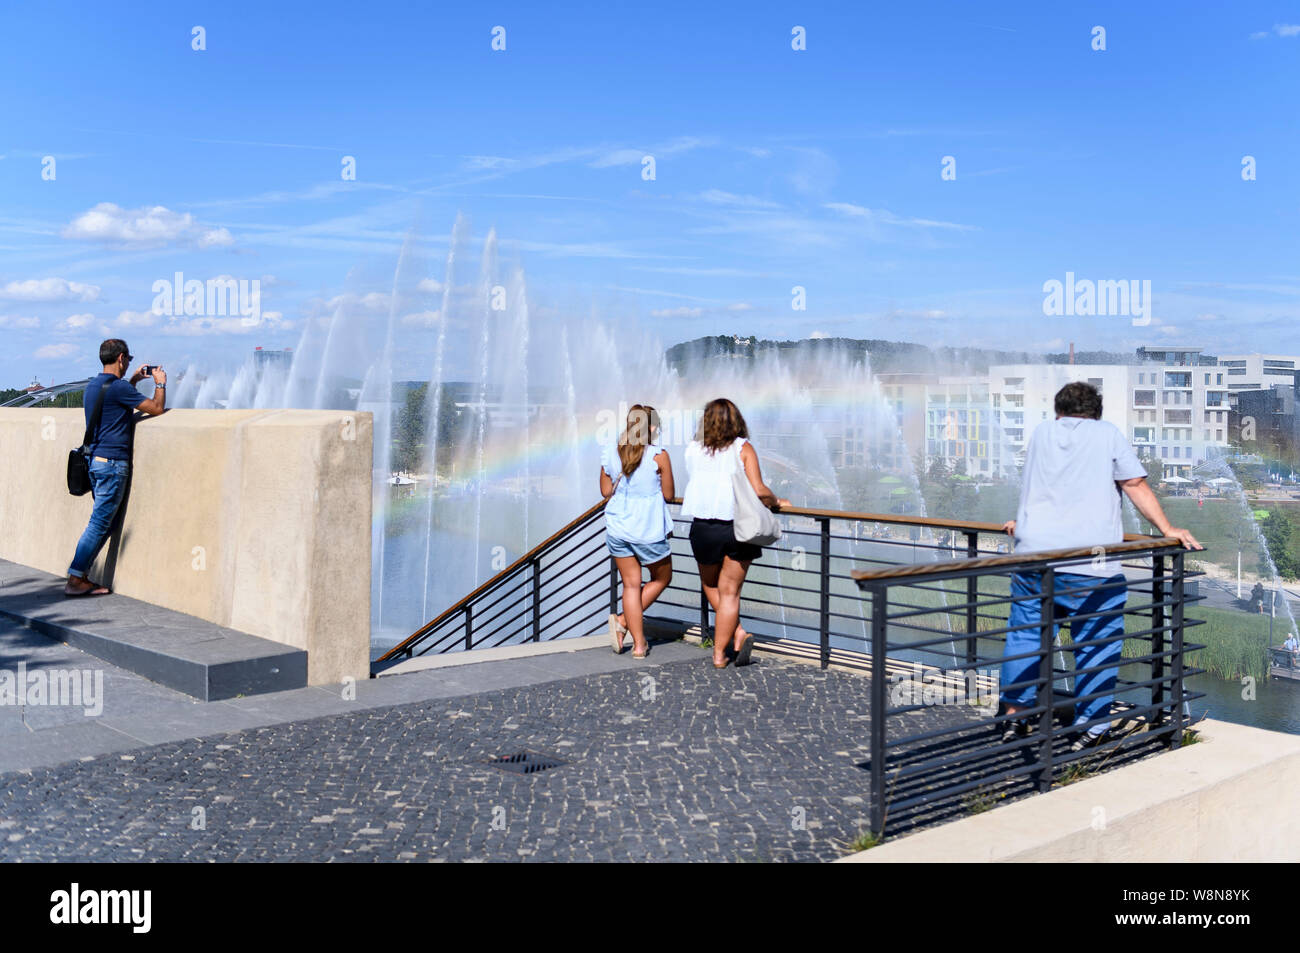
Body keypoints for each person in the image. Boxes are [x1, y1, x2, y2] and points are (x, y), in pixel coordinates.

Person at [999, 382, 1201, 751]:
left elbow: (1042, 485)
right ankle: (1091, 728)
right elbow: (1134, 483)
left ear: (1058, 410)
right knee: (1095, 643)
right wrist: (1168, 529)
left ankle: (1015, 714)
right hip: (1089, 564)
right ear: (1096, 411)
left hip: (1032, 556)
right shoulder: (1107, 434)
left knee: (1025, 637)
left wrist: (1023, 523)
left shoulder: (1042, 433)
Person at [680, 398, 789, 669]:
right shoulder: (743, 448)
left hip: (703, 528)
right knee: (730, 593)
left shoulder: (693, 449)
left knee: (710, 586)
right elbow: (760, 490)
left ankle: (736, 634)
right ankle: (721, 651)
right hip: (737, 528)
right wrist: (777, 502)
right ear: (737, 420)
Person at [65, 339, 167, 596]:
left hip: (95, 462)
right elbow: (155, 408)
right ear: (121, 358)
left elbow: (114, 404)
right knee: (99, 523)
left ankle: (81, 576)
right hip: (112, 464)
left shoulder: (94, 385)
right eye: (129, 359)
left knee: (102, 522)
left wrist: (131, 381)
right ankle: (76, 579)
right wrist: (160, 382)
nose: (129, 363)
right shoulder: (119, 389)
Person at [600, 405, 674, 659]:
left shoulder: (610, 452)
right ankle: (621, 621)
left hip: (618, 528)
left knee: (631, 585)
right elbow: (669, 494)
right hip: (647, 530)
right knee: (662, 578)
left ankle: (638, 645)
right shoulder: (658, 455)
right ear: (651, 427)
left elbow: (605, 491)